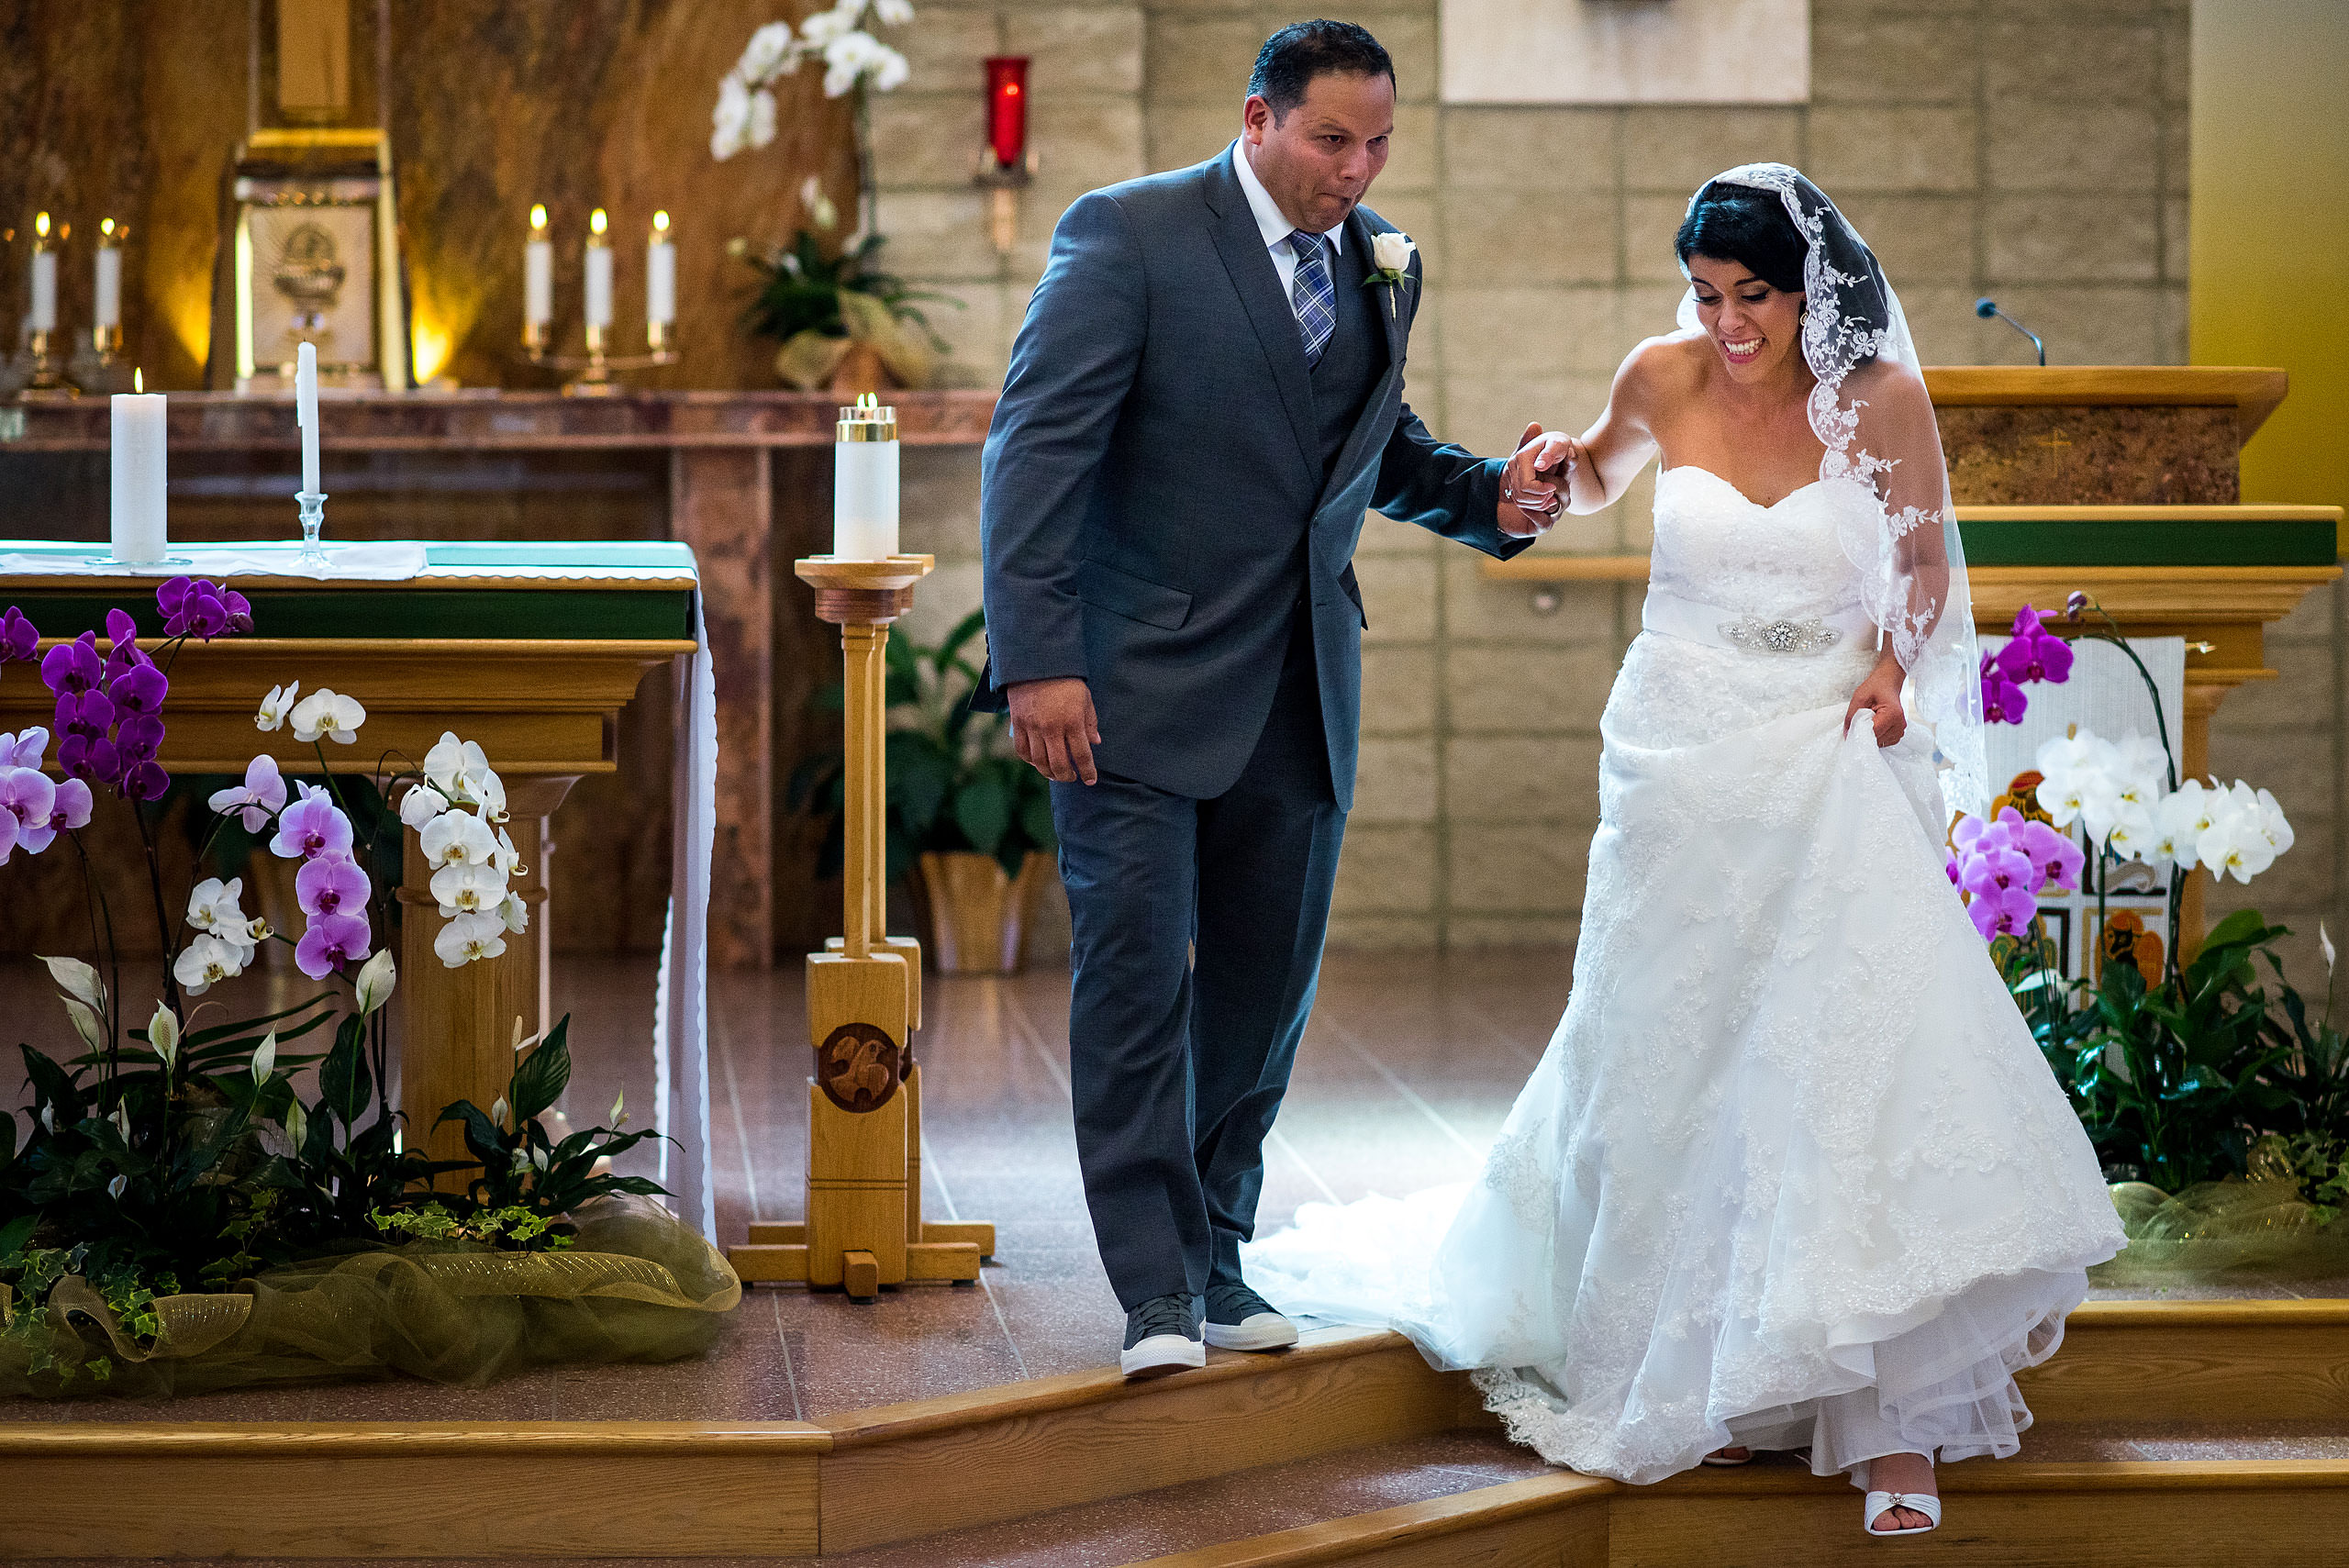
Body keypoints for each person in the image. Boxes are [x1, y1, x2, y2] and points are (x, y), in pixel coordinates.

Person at [1242, 164, 2128, 1538]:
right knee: (1674, 1041)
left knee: (1843, 1051)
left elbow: (1924, 560)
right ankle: (1697, 1364)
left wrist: (1897, 667)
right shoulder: (1663, 373)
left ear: (1807, 291)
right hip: (1680, 746)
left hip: (1826, 739)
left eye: (1753, 299)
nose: (1726, 323)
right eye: (1711, 296)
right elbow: (1594, 474)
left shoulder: (1878, 399)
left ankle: (1892, 1420)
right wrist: (1550, 473)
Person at [972, 20, 1569, 1378]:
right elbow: (1035, 453)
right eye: (1330, 140)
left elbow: (1369, 448)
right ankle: (1152, 1294)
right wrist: (1038, 658)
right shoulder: (1127, 237)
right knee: (1136, 988)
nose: (1356, 170)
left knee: (1259, 997)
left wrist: (1492, 498)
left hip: (1301, 691)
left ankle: (1221, 1254)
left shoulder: (1378, 265)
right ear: (1258, 119)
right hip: (1123, 692)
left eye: (1377, 144)